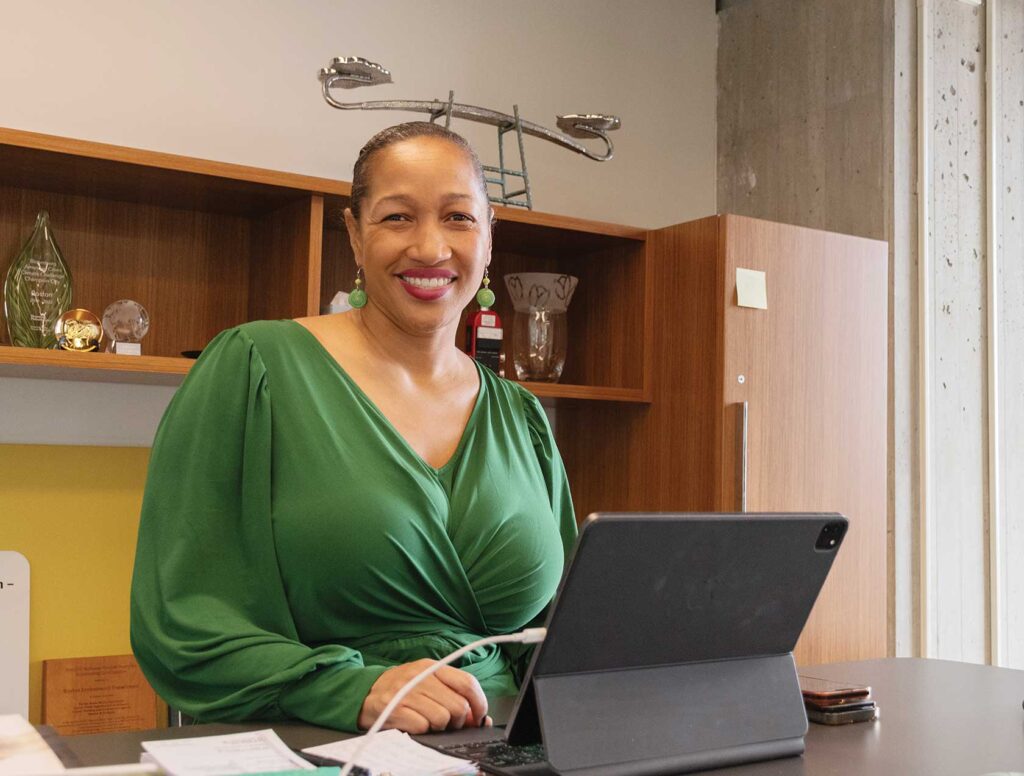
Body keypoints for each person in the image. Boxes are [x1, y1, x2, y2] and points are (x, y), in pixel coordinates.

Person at [130, 122, 577, 735]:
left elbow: (563, 631)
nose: (430, 248)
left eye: (458, 217)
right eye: (397, 217)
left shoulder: (522, 418)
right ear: (355, 234)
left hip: (498, 750)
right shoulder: (255, 367)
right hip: (325, 745)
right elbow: (181, 619)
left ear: (489, 238)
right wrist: (352, 688)